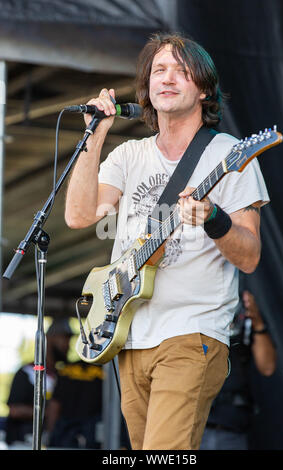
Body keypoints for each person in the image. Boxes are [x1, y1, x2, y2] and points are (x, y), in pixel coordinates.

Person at [64, 32, 269, 450]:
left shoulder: (227, 155)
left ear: (204, 89)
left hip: (191, 333)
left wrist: (213, 218)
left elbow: (249, 257)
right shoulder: (129, 155)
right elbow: (79, 216)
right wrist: (96, 135)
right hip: (128, 333)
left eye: (181, 69)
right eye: (159, 69)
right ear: (147, 87)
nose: (168, 77)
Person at [200, 289, 277, 450]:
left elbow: (268, 367)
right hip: (193, 424)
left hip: (232, 428)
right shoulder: (193, 305)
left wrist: (257, 321)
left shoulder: (242, 306)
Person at [5, 318, 72, 447]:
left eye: (69, 339)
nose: (68, 345)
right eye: (64, 338)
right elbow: (14, 410)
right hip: (22, 442)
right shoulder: (27, 372)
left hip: (53, 442)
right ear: (49, 339)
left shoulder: (62, 375)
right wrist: (49, 413)